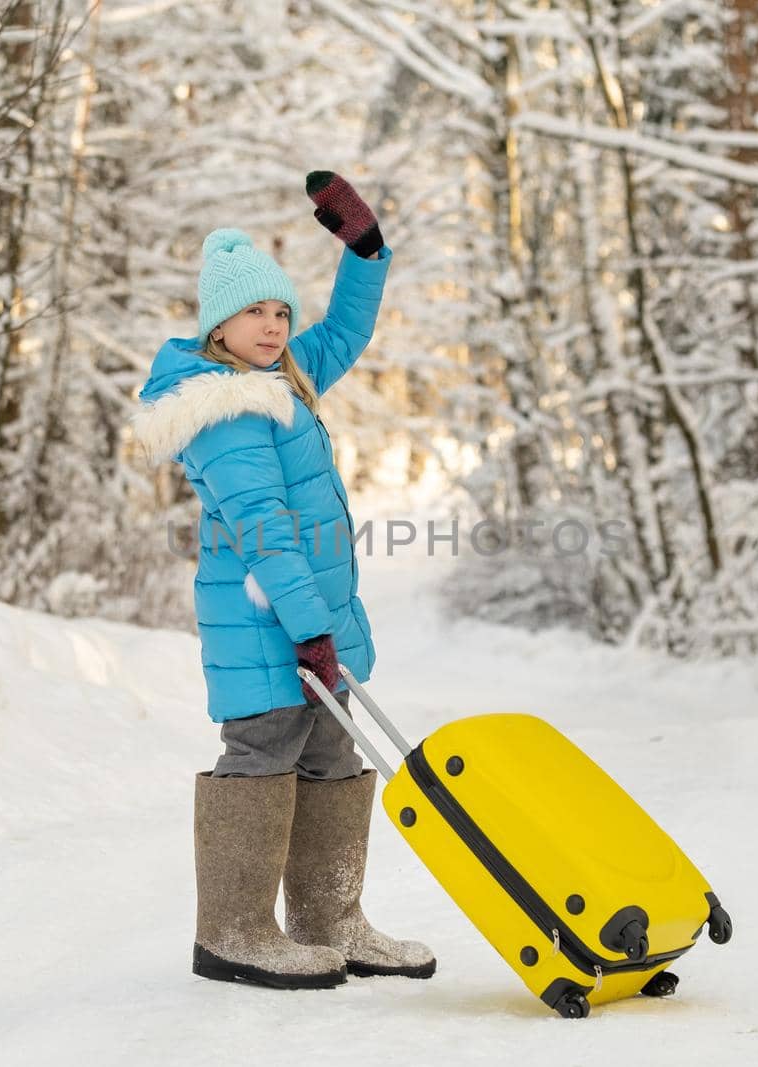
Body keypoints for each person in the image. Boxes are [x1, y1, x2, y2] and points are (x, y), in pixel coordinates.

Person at [131, 171, 436, 990]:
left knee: (332, 752)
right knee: (263, 747)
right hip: (267, 621)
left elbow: (343, 334)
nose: (272, 327)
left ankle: (330, 918)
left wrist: (364, 252)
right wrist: (307, 626)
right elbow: (265, 526)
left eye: (278, 313)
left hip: (308, 615)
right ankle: (232, 931)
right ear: (216, 325)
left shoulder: (279, 382)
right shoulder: (226, 408)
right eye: (254, 314)